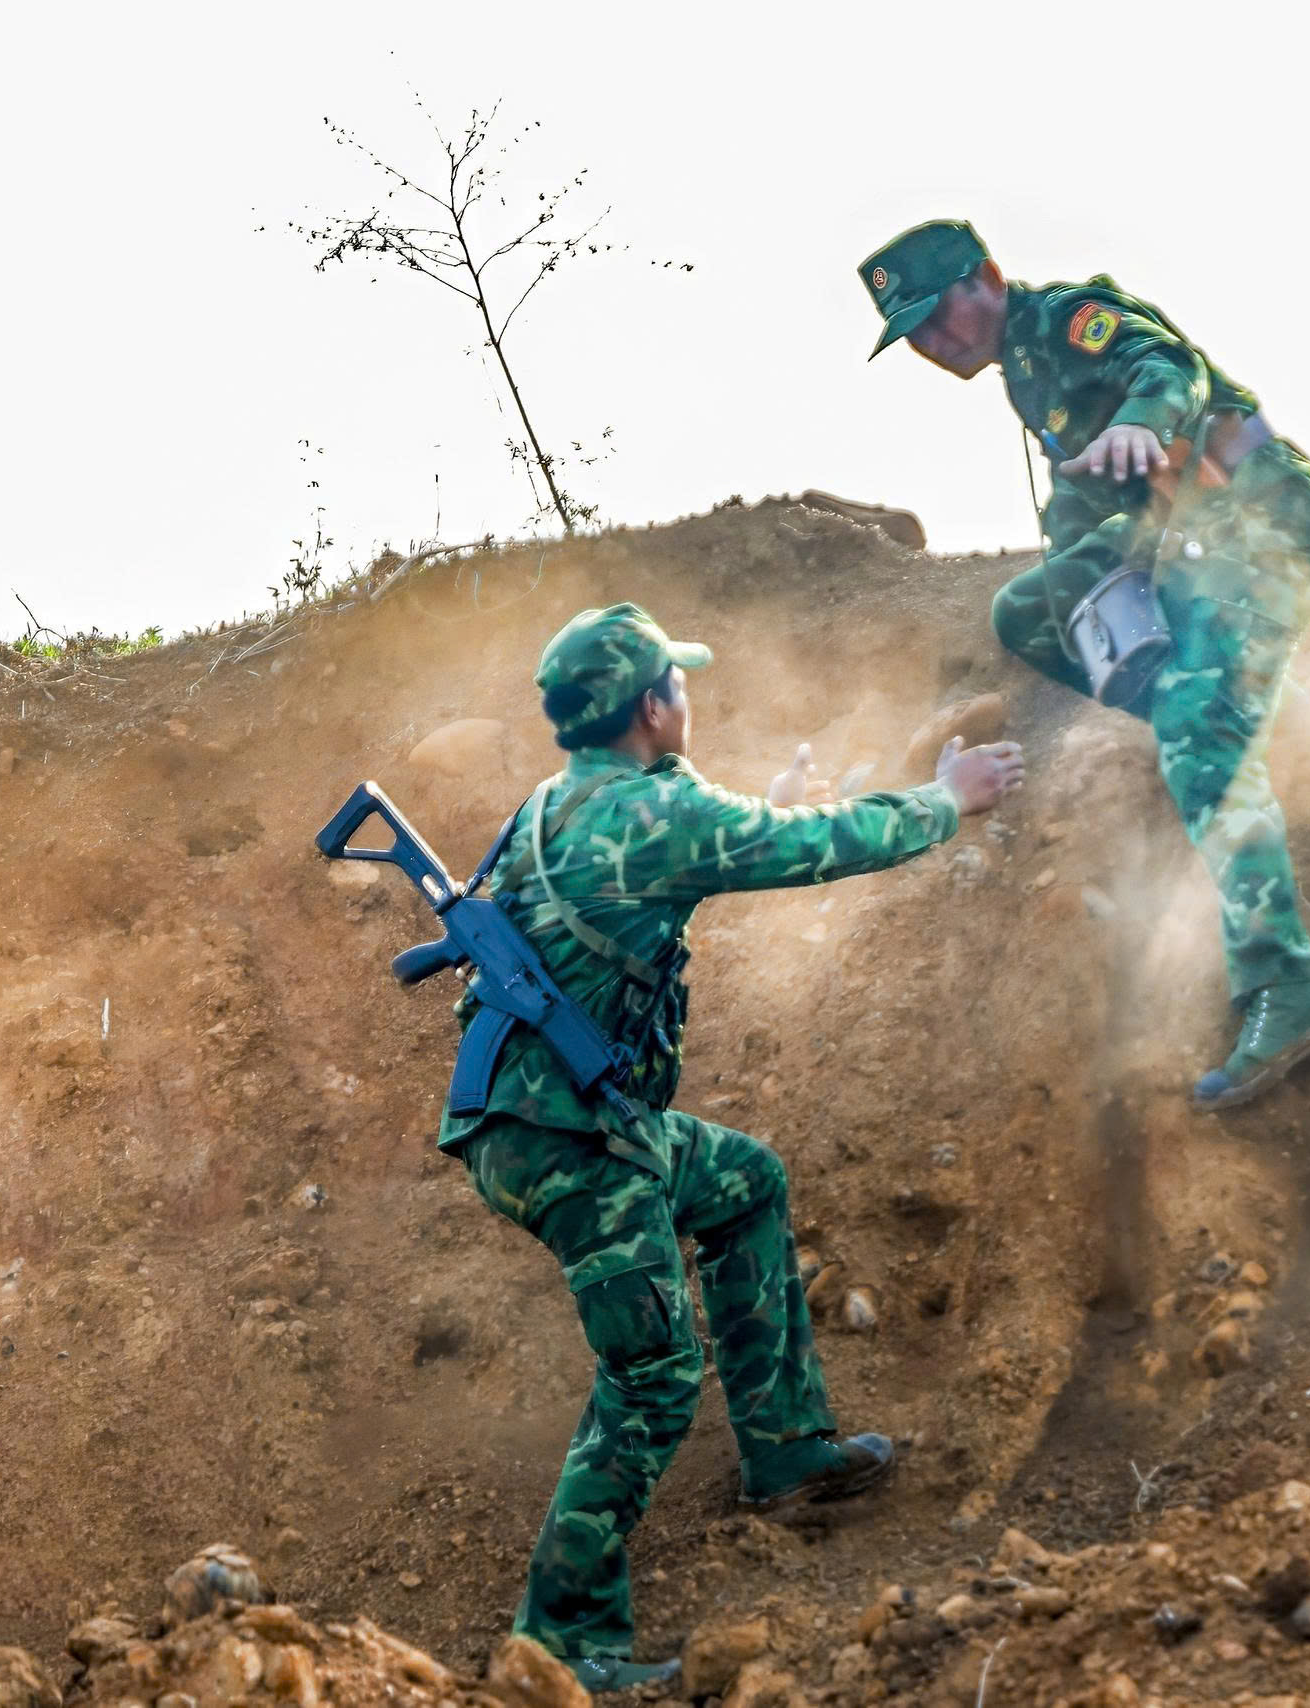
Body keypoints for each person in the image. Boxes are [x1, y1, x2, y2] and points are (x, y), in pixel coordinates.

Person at [438, 602, 1026, 1690]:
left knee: (744, 1182)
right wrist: (946, 800)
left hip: (541, 1121)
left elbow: (696, 851)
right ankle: (558, 1647)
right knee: (653, 1377)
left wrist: (768, 807)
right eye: (678, 684)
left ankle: (785, 1451)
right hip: (572, 1144)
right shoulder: (656, 812)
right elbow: (805, 851)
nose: (687, 699)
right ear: (651, 709)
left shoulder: (551, 805)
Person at [858, 218, 1310, 1110]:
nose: (932, 344)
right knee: (1025, 608)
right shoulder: (1025, 379)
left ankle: (1288, 989)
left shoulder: (1069, 319)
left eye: (937, 316)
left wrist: (1136, 423)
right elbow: (1079, 511)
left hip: (1257, 524)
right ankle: (1238, 708)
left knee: (1196, 724)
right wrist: (1076, 556)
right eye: (914, 334)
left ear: (988, 278)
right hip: (1183, 549)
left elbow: (1169, 369)